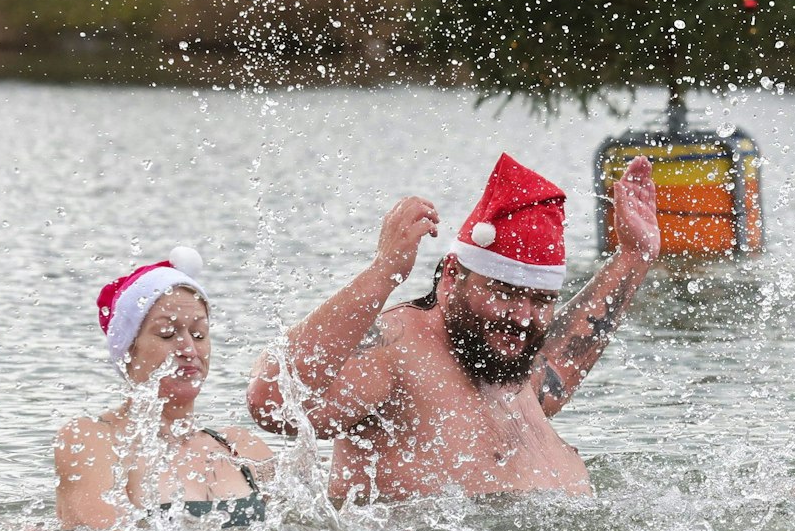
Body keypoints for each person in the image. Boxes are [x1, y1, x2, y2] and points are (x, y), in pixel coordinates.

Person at [245, 153, 661, 503]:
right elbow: (276, 401)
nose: (521, 317)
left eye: (540, 300)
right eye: (505, 292)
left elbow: (555, 367)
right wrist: (383, 273)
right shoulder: (397, 348)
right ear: (450, 275)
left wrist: (633, 258)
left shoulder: (503, 360)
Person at [57, 249, 275, 530]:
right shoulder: (92, 439)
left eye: (199, 334)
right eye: (167, 334)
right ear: (128, 351)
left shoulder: (238, 446)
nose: (188, 349)